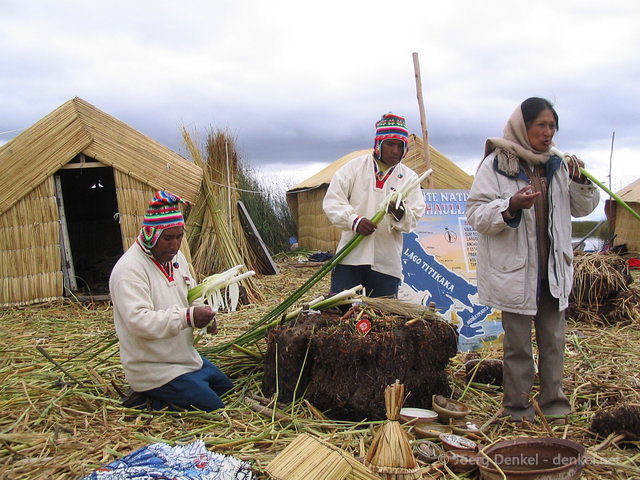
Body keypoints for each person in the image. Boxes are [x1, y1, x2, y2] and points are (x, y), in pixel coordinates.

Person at [466, 97, 600, 423]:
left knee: (554, 342)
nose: (548, 132)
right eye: (541, 125)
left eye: (552, 126)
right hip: (515, 273)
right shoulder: (498, 163)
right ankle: (517, 409)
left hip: (552, 270)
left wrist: (581, 180)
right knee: (518, 348)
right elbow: (476, 213)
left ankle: (554, 405)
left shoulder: (556, 165)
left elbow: (583, 208)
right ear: (522, 127)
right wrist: (509, 205)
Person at [109, 191, 233, 411]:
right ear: (151, 234)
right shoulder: (129, 270)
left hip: (185, 359)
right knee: (214, 407)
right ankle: (142, 399)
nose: (174, 245)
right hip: (154, 369)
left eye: (179, 237)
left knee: (227, 389)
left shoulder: (177, 259)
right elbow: (138, 322)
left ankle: (186, 388)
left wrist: (201, 313)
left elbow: (190, 294)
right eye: (168, 238)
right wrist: (187, 317)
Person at [323, 113, 426, 297]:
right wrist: (354, 221)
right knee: (340, 316)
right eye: (390, 144)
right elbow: (333, 201)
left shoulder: (410, 178)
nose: (395, 151)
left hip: (386, 262)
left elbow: (415, 216)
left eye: (400, 145)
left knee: (384, 319)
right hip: (350, 257)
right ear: (379, 144)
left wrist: (400, 213)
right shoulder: (353, 168)